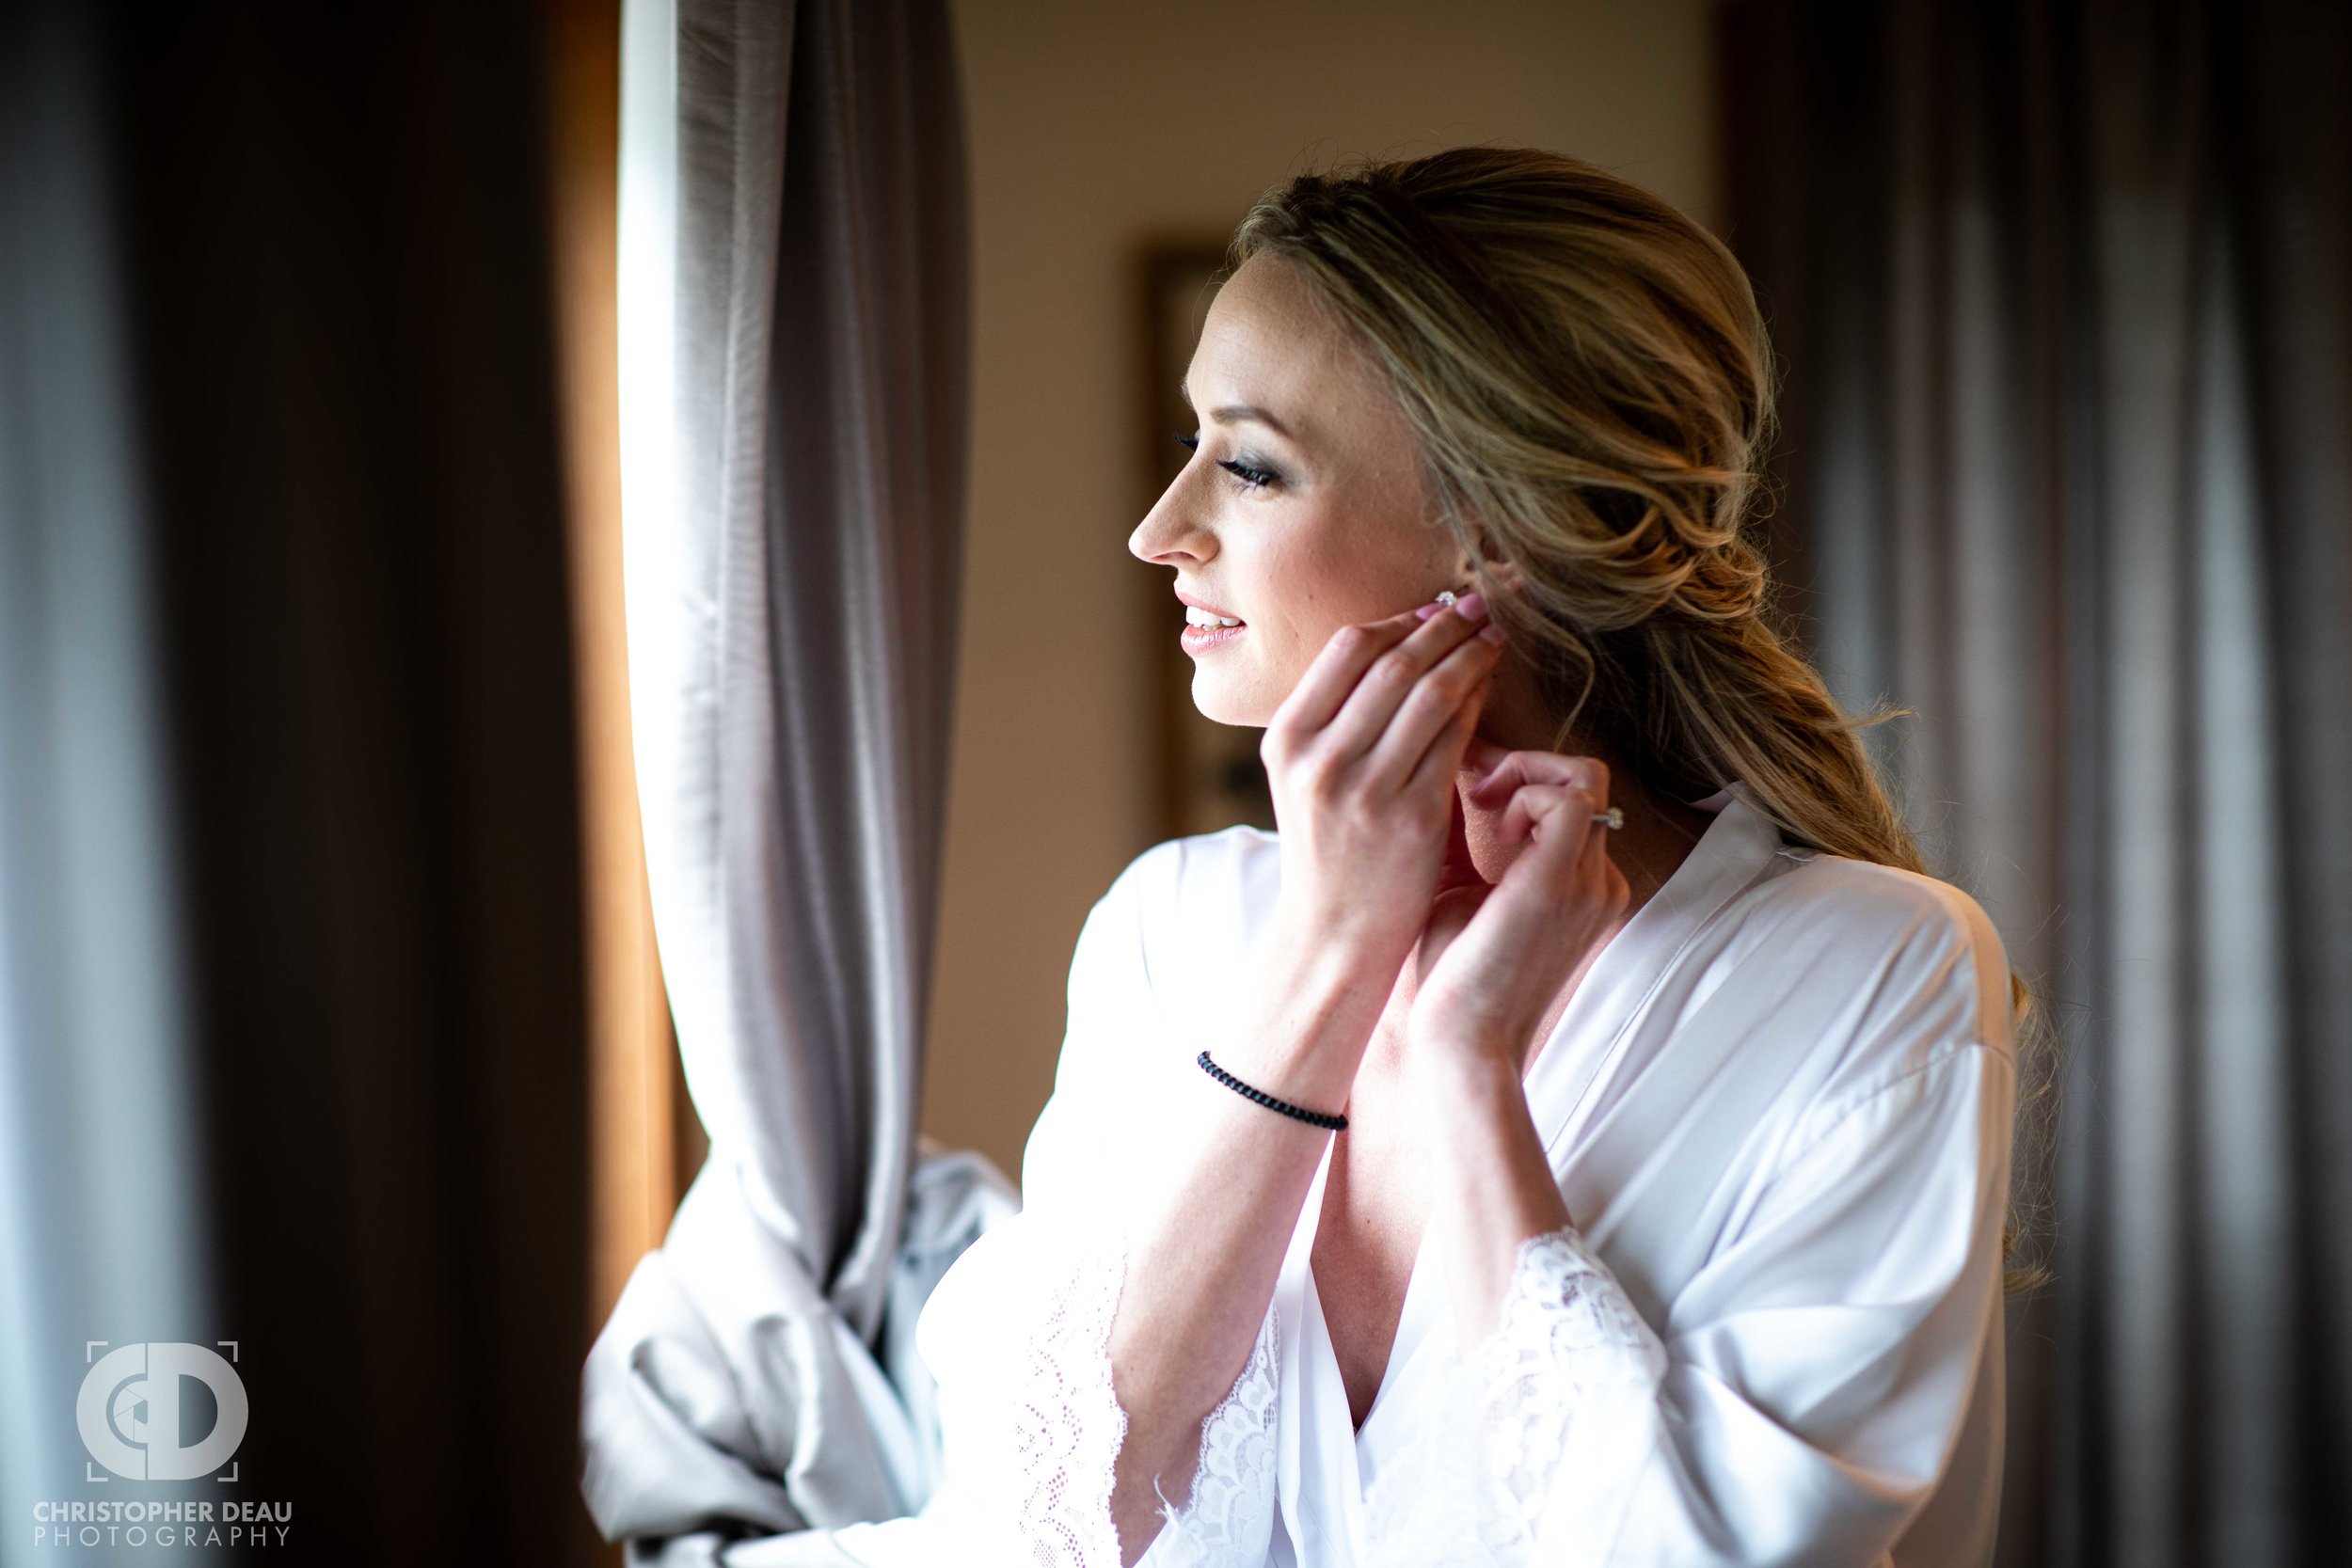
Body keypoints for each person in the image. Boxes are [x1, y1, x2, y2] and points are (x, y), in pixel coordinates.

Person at [827, 145, 2021, 1568]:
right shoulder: (1173, 932)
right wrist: (1328, 966)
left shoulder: (1864, 967)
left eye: (1250, 466)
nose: (1160, 532)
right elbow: (1037, 1530)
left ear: (1501, 532)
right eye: (1187, 446)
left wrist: (1473, 1074)